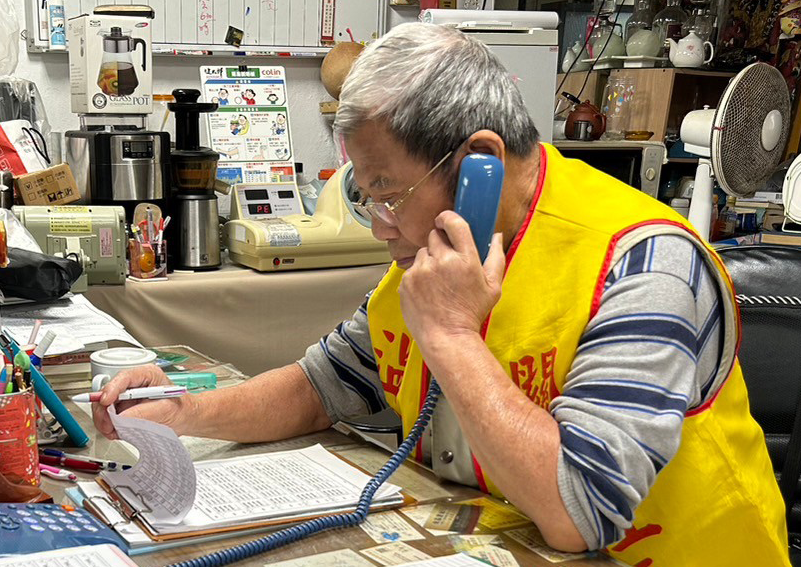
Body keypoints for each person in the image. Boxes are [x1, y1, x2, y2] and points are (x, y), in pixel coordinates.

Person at [92, 23, 789, 566]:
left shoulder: (644, 263)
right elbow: (320, 387)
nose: (380, 226)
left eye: (388, 194)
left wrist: (452, 336)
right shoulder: (437, 255)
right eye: (365, 198)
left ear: (480, 165)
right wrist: (183, 413)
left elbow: (578, 510)